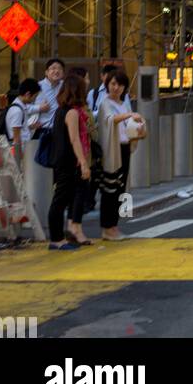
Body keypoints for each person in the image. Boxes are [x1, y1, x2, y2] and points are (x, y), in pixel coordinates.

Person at [97, 69, 144, 240]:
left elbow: (126, 123)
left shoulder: (123, 103)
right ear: (107, 85)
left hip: (124, 147)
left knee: (120, 188)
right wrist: (129, 115)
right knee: (110, 188)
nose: (116, 88)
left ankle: (113, 226)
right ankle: (107, 227)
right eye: (113, 84)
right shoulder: (105, 103)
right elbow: (110, 120)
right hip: (112, 150)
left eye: (119, 84)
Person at [47, 74, 92, 249]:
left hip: (60, 160)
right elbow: (75, 139)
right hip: (67, 161)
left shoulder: (60, 110)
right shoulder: (72, 112)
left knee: (61, 199)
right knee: (60, 200)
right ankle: (57, 239)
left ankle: (58, 238)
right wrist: (83, 162)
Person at [4, 78, 41, 160]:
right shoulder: (17, 111)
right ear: (28, 94)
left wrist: (31, 127)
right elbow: (16, 137)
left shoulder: (21, 107)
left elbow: (20, 129)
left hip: (23, 149)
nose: (34, 100)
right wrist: (19, 158)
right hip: (19, 153)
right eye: (35, 96)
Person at [36, 58, 65, 133]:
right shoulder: (38, 87)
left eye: (60, 68)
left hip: (61, 130)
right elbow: (25, 107)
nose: (57, 71)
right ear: (46, 72)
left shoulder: (65, 86)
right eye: (53, 68)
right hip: (43, 129)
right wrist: (38, 108)